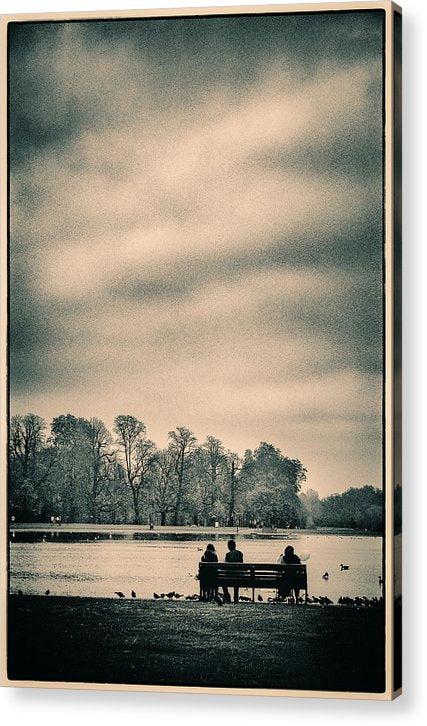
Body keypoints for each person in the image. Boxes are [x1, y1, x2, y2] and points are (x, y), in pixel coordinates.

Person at [223, 539, 244, 603]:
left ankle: (227, 595)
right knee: (236, 579)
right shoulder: (240, 554)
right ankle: (235, 596)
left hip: (229, 576)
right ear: (235, 546)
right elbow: (241, 565)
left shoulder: (228, 554)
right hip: (238, 577)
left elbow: (226, 567)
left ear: (228, 546)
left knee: (222, 581)